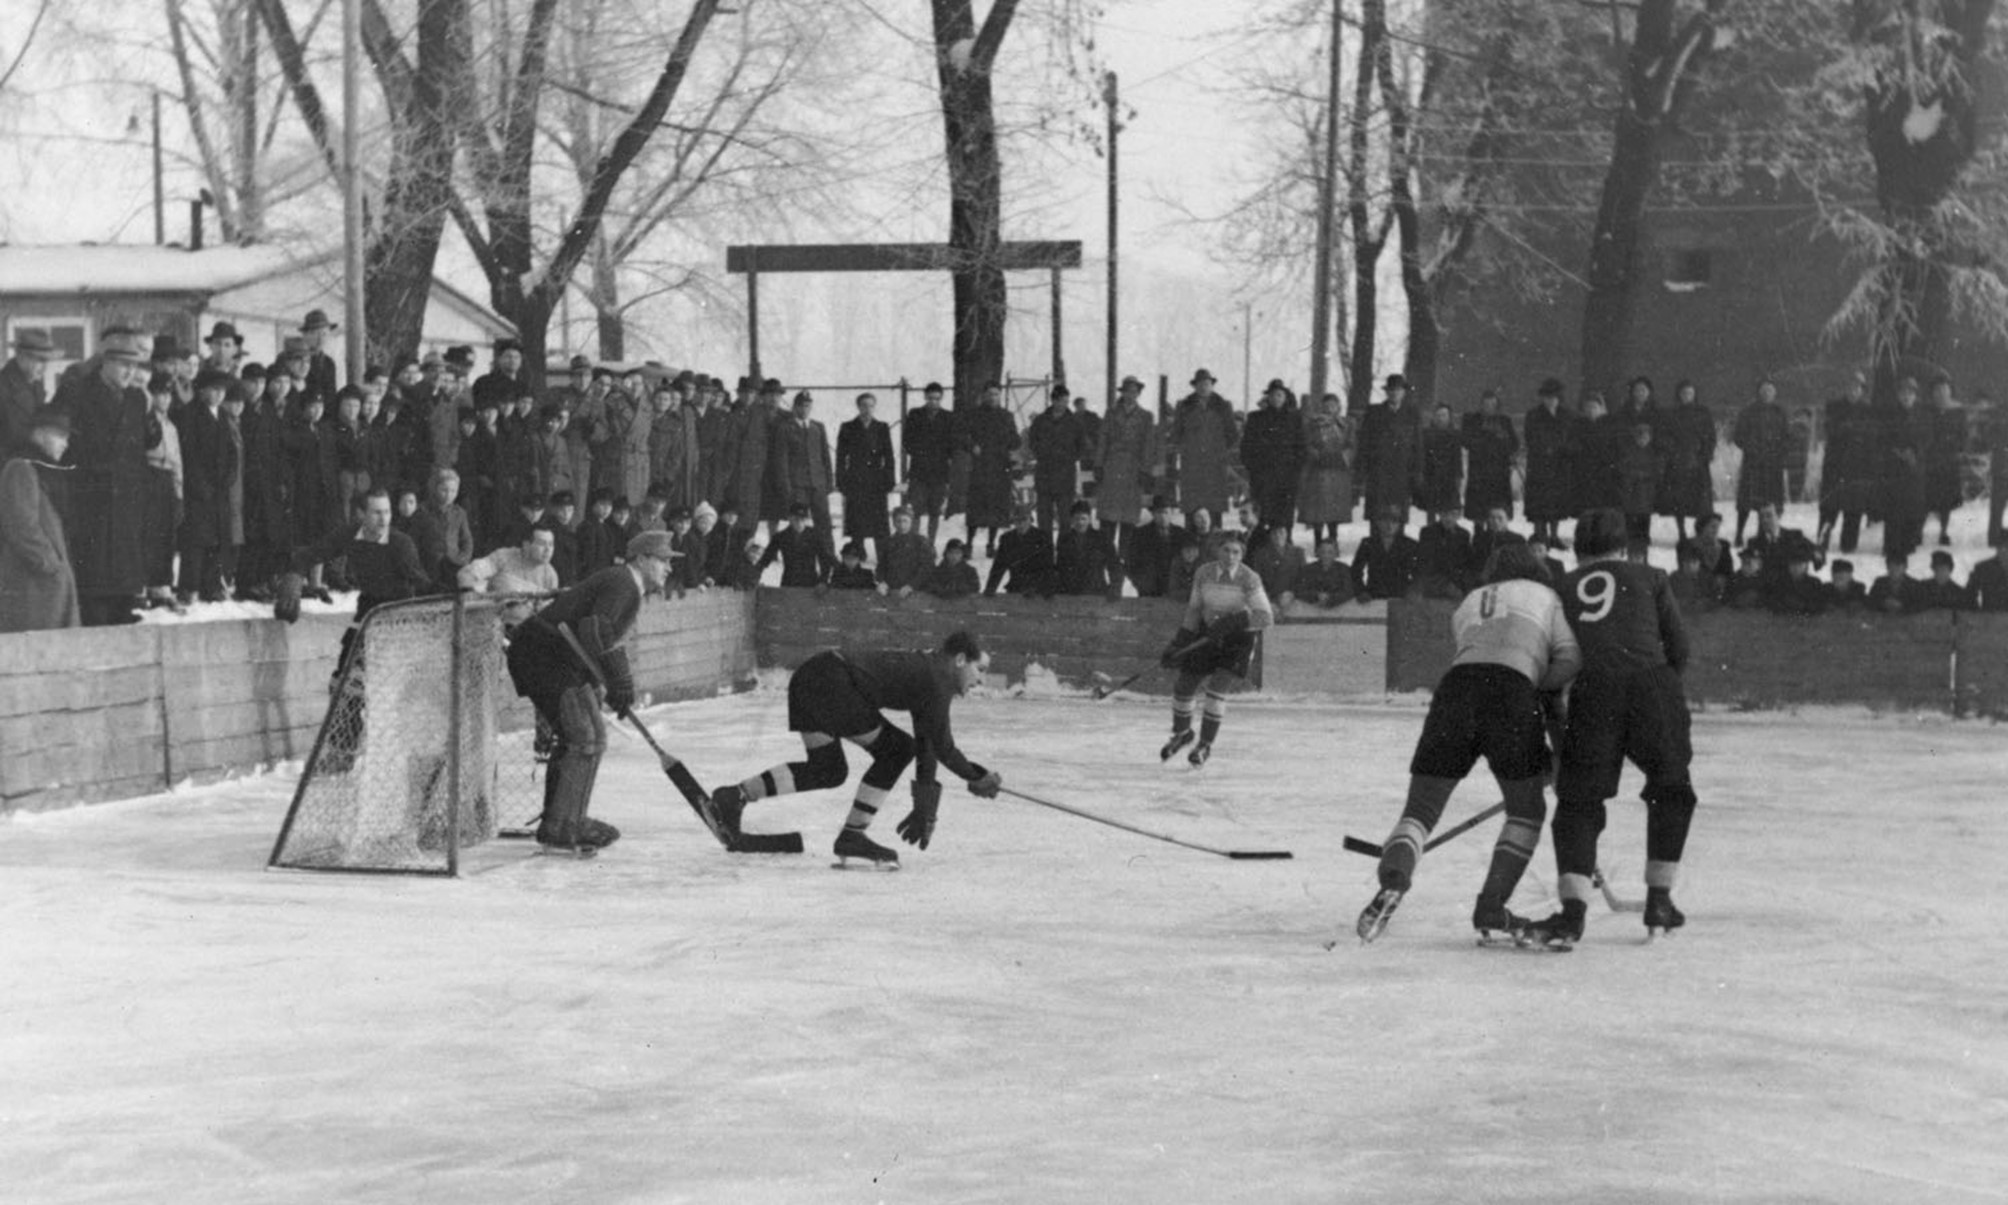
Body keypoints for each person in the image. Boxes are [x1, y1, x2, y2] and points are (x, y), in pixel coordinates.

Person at [1355, 544, 1582, 944]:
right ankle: (1492, 906)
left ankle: (1395, 877)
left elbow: (1478, 655)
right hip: (1513, 691)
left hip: (1455, 691)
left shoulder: (1471, 602)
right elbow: (1568, 660)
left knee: (1421, 810)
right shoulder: (1547, 598)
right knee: (1526, 810)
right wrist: (1555, 745)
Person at [1531, 507, 1697, 947]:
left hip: (1593, 693)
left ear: (1576, 551)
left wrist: (1561, 735)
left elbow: (1555, 666)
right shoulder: (1652, 577)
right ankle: (1659, 899)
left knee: (1579, 803)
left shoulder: (1561, 587)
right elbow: (1679, 649)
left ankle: (1572, 913)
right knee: (1672, 788)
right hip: (1651, 686)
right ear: (1625, 548)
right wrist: (1659, 698)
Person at [707, 631, 1003, 867]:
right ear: (961, 659)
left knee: (828, 770)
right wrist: (977, 776)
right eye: (981, 669)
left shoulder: (932, 673)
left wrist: (925, 806)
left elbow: (929, 742)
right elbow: (943, 747)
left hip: (812, 678)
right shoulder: (937, 678)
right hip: (832, 683)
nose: (981, 679)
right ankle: (853, 835)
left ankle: (734, 796)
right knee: (896, 750)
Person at [503, 531, 680, 853]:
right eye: (663, 560)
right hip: (543, 657)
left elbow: (592, 634)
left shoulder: (626, 585)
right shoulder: (623, 583)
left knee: (591, 737)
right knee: (583, 737)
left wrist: (606, 685)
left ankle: (565, 820)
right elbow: (597, 628)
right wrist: (620, 679)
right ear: (641, 559)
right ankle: (564, 825)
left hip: (557, 660)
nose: (669, 568)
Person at [1157, 529, 1274, 768]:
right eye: (1226, 550)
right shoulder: (1204, 573)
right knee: (1184, 685)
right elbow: (1194, 610)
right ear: (1216, 550)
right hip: (1209, 635)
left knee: (1216, 689)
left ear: (1242, 554)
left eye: (1236, 552)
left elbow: (1265, 618)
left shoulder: (1249, 578)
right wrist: (1179, 642)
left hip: (1238, 641)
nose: (1231, 556)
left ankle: (1204, 744)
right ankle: (1182, 734)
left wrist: (1235, 621)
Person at [0, 405, 81, 632]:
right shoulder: (21, 467)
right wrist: (51, 565)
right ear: (40, 434)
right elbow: (21, 526)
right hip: (33, 588)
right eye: (60, 436)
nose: (65, 444)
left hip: (45, 587)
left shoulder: (40, 469)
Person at [1166, 369, 1240, 527]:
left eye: (1207, 384)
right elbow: (1176, 435)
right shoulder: (1184, 406)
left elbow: (1232, 435)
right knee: (1192, 510)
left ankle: (1215, 547)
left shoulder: (1223, 406)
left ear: (1212, 385)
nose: (1203, 387)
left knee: (1214, 511)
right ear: (1195, 386)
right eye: (1200, 384)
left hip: (1215, 467)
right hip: (1192, 467)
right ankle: (1191, 547)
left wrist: (1217, 450)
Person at [1096, 375, 1158, 561]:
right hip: (1112, 468)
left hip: (1133, 470)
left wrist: (1145, 470)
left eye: (1134, 391)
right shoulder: (1111, 413)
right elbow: (1103, 440)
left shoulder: (1146, 416)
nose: (1130, 395)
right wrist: (1099, 465)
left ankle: (1124, 558)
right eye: (1127, 391)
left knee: (1129, 517)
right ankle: (1106, 558)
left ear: (1138, 393)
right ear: (1122, 393)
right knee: (1108, 515)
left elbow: (1148, 445)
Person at [1242, 380, 1307, 546]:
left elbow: (1302, 447)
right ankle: (1262, 546)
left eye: (1279, 395)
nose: (1276, 398)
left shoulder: (1295, 419)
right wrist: (1254, 468)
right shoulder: (1256, 418)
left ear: (1285, 397)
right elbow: (1247, 446)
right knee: (1263, 513)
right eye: (1272, 395)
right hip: (1263, 476)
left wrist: (1295, 468)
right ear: (1268, 397)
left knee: (1285, 514)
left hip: (1287, 476)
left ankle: (1285, 543)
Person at [1818, 373, 1876, 554]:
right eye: (1850, 387)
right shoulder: (1834, 407)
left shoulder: (1868, 410)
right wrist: (1846, 429)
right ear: (1845, 388)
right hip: (1835, 465)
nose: (1853, 391)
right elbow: (1829, 429)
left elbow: (1871, 437)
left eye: (1857, 387)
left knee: (1854, 509)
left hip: (1858, 467)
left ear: (1862, 390)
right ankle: (1822, 542)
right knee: (1829, 507)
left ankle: (1849, 544)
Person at [963, 381, 1020, 556]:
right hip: (980, 466)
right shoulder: (974, 415)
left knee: (996, 507)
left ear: (1000, 395)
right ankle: (969, 543)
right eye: (989, 394)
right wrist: (972, 445)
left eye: (996, 394)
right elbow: (962, 435)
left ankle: (991, 544)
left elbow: (1015, 439)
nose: (993, 397)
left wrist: (1012, 448)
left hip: (1000, 466)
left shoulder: (1006, 416)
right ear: (983, 395)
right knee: (975, 507)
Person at [1655, 380, 1716, 543]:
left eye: (1690, 393)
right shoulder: (1670, 414)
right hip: (1677, 463)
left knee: (1701, 502)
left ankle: (1700, 531)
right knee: (1679, 501)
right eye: (1683, 393)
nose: (1686, 396)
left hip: (1698, 462)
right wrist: (1672, 450)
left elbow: (1711, 437)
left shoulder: (1703, 412)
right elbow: (1662, 436)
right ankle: (1681, 532)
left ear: (1695, 394)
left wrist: (1705, 454)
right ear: (1678, 395)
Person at [836, 392, 895, 558]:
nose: (867, 409)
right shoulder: (848, 427)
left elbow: (889, 456)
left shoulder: (882, 427)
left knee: (879, 522)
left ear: (874, 407)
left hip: (876, 481)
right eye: (864, 405)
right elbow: (841, 457)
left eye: (870, 405)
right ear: (858, 407)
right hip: (855, 479)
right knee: (857, 521)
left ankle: (882, 557)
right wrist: (841, 481)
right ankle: (858, 554)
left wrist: (889, 479)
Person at [1732, 378, 1790, 545]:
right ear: (1758, 392)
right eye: (1764, 390)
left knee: (1767, 503)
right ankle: (1739, 533)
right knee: (1746, 502)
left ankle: (1761, 534)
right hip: (1753, 463)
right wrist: (1752, 448)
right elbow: (1738, 436)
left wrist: (1778, 452)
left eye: (1770, 391)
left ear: (1775, 393)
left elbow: (1787, 438)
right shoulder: (1748, 412)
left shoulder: (1780, 412)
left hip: (1773, 465)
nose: (1767, 394)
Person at [1357, 374, 1422, 523]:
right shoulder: (1374, 412)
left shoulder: (1412, 413)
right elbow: (1364, 444)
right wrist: (1363, 470)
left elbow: (1418, 446)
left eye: (1398, 390)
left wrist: (1417, 472)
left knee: (1398, 517)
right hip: (1378, 473)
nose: (1394, 393)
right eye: (1391, 390)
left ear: (1404, 392)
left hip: (1402, 473)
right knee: (1376, 516)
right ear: (1386, 392)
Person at [902, 382, 958, 542]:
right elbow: (907, 440)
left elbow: (952, 443)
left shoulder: (948, 417)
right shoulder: (915, 414)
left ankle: (931, 544)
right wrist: (921, 453)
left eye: (937, 399)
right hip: (919, 470)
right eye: (931, 398)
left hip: (939, 472)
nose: (934, 402)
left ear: (941, 399)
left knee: (934, 510)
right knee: (916, 509)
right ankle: (913, 542)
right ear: (925, 397)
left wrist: (942, 455)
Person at [1522, 378, 1575, 546]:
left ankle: (1554, 536)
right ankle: (1540, 535)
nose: (1551, 400)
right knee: (1539, 503)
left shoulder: (1567, 415)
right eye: (1547, 397)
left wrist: (1563, 449)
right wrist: (1547, 448)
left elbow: (1571, 436)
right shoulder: (1533, 415)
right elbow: (1531, 437)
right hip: (1539, 465)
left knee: (1556, 503)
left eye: (1554, 397)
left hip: (1559, 465)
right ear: (1542, 398)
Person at [1298, 391, 1354, 547]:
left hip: (1338, 470)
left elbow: (1351, 444)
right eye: (1327, 405)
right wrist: (1316, 455)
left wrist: (1344, 457)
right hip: (1319, 470)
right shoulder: (1314, 424)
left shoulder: (1346, 424)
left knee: (1334, 511)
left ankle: (1333, 540)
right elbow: (1308, 444)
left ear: (1338, 407)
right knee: (1318, 511)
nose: (1330, 408)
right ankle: (1318, 542)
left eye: (1333, 405)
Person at [1027, 384, 1085, 532]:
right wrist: (1043, 454)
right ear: (1054, 400)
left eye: (1067, 401)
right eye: (1062, 401)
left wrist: (1069, 457)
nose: (1065, 404)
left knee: (1065, 518)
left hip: (1065, 476)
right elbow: (1032, 443)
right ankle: (1045, 551)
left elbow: (1082, 445)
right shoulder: (1040, 421)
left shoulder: (1074, 422)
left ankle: (1064, 551)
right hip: (1044, 475)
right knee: (1044, 518)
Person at [407, 467, 476, 588]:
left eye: (453, 491)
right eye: (444, 490)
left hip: (454, 571)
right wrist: (419, 572)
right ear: (434, 488)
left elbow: (467, 541)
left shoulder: (459, 513)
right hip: (429, 572)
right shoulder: (422, 513)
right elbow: (412, 545)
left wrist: (461, 560)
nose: (449, 495)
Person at [1460, 390, 1515, 523]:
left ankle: (1496, 534)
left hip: (1498, 473)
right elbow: (1465, 441)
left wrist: (1502, 440)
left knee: (1497, 509)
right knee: (1478, 512)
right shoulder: (1471, 420)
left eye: (1492, 404)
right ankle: (1479, 536)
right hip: (1479, 472)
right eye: (1486, 404)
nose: (1489, 407)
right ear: (1481, 404)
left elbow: (1514, 444)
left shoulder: (1504, 421)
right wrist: (1485, 438)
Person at [1052, 500, 1120, 597]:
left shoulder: (1101, 538)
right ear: (1071, 520)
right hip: (1072, 594)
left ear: (1089, 519)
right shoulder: (1065, 540)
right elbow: (1060, 568)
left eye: (1083, 518)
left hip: (1096, 592)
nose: (1080, 522)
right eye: (1076, 519)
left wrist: (1115, 587)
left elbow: (1114, 565)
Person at [755, 503, 833, 587]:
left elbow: (825, 560)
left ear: (807, 520)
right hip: (789, 582)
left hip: (811, 583)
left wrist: (823, 581)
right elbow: (765, 559)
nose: (799, 522)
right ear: (789, 519)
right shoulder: (781, 537)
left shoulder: (815, 536)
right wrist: (754, 578)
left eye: (802, 519)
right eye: (796, 519)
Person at [1352, 505, 1421, 600]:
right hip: (1373, 596)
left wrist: (1413, 590)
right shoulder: (1368, 543)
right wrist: (1361, 591)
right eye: (1385, 521)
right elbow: (1355, 571)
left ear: (1399, 525)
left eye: (1394, 522)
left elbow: (1419, 572)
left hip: (1401, 596)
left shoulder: (1410, 544)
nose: (1389, 526)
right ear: (1378, 523)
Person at [983, 506, 1053, 596]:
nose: (1021, 524)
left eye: (1024, 520)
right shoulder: (1007, 539)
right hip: (1016, 587)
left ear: (1031, 520)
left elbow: (1047, 567)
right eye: (1017, 521)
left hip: (1038, 589)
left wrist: (1043, 588)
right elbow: (998, 566)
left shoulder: (1042, 538)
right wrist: (991, 587)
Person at [1126, 496, 1181, 598]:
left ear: (1172, 513)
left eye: (1165, 512)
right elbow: (1130, 562)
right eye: (1158, 512)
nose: (1162, 516)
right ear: (1153, 514)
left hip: (1175, 591)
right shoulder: (1139, 534)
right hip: (1148, 591)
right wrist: (1141, 584)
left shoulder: (1181, 534)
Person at [875, 505, 936, 597]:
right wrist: (882, 582)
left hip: (917, 592)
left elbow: (927, 568)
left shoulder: (921, 542)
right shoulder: (888, 543)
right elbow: (881, 566)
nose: (902, 525)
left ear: (911, 522)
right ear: (893, 523)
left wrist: (912, 585)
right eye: (898, 521)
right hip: (892, 591)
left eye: (905, 521)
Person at [1248, 521, 1306, 608]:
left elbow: (1304, 577)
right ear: (1270, 536)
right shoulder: (1261, 554)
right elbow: (1257, 578)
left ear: (1287, 534)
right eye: (1274, 533)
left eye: (1281, 532)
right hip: (1269, 596)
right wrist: (1266, 597)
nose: (1278, 536)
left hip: (1291, 596)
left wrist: (1293, 593)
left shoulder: (1298, 552)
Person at [1966, 545, 2007, 611]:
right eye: (2004, 546)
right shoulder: (1983, 568)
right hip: (1990, 618)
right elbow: (1969, 594)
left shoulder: (1983, 567)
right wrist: (1978, 615)